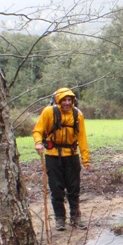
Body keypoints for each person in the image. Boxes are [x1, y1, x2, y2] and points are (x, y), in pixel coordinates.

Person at [32, 88, 90, 231]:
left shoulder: (78, 115)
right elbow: (38, 130)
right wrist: (38, 142)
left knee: (73, 188)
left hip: (71, 156)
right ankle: (60, 219)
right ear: (58, 100)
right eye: (64, 100)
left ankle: (76, 218)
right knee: (56, 189)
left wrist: (85, 159)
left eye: (69, 100)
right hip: (52, 155)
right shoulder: (48, 112)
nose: (67, 103)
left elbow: (82, 137)